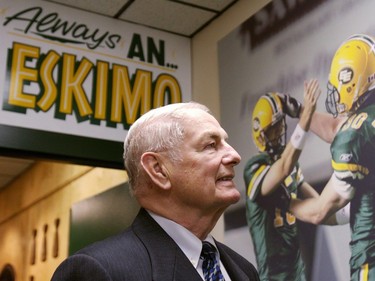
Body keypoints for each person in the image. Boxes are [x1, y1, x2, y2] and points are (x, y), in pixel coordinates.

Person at [51, 102, 260, 281]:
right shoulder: (98, 271)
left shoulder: (244, 270)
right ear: (158, 170)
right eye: (211, 145)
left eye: (226, 143)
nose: (234, 155)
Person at [284, 34, 375, 281]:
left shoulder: (355, 136)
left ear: (350, 80)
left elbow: (320, 212)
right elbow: (339, 128)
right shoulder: (363, 127)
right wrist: (302, 112)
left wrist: (282, 203)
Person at [243, 79, 325, 281]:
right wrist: (304, 119)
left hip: (297, 273)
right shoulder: (254, 168)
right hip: (273, 277)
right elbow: (283, 167)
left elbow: (319, 206)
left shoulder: (290, 164)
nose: (279, 132)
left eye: (280, 125)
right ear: (260, 133)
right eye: (273, 128)